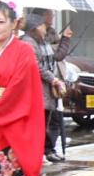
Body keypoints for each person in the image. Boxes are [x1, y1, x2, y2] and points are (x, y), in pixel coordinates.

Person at [0, 1, 45, 176]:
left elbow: (19, 89)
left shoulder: (23, 51)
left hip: (12, 124)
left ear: (13, 23)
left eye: (0, 21)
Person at [20, 12, 72, 161]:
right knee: (40, 122)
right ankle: (38, 152)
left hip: (47, 90)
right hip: (38, 89)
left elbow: (56, 57)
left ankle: (47, 150)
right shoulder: (28, 42)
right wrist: (53, 78)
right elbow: (35, 65)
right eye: (43, 24)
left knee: (50, 120)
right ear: (36, 26)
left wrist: (65, 39)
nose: (46, 27)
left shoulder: (43, 41)